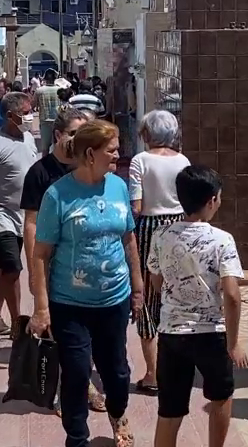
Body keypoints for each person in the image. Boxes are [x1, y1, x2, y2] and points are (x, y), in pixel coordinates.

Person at [28, 120, 141, 447]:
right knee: (77, 374)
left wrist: (137, 287)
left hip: (114, 300)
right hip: (69, 304)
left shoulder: (118, 187)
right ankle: (77, 439)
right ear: (90, 154)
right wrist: (41, 307)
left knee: (117, 373)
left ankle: (118, 412)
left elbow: (129, 239)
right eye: (112, 150)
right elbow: (40, 254)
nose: (118, 155)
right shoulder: (57, 195)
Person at [147, 165, 247, 447]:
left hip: (171, 334)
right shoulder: (222, 240)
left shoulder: (161, 236)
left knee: (170, 410)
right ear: (212, 200)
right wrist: (234, 343)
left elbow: (157, 281)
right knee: (220, 397)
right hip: (212, 334)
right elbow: (232, 295)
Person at [21, 106, 107, 413]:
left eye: (83, 134)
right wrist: (35, 270)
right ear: (58, 135)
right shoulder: (40, 173)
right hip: (53, 263)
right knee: (59, 331)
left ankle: (84, 384)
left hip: (87, 265)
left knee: (89, 331)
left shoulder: (91, 169)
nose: (78, 139)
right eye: (73, 133)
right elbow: (31, 224)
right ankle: (72, 390)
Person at [127, 110, 191, 395]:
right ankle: (175, 369)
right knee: (174, 294)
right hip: (179, 226)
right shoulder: (183, 161)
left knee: (147, 297)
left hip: (149, 229)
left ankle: (152, 373)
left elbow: (137, 205)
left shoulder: (140, 161)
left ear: (146, 134)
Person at [0, 91, 39, 335]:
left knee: (4, 267)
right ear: (10, 116)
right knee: (13, 265)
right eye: (25, 113)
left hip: (22, 216)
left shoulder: (28, 139)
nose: (30, 117)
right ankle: (17, 323)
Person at [33, 69, 63, 150]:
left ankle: (45, 158)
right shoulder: (60, 90)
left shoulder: (39, 91)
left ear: (45, 79)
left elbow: (33, 105)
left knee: (45, 148)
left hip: (45, 121)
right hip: (58, 121)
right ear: (55, 79)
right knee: (57, 147)